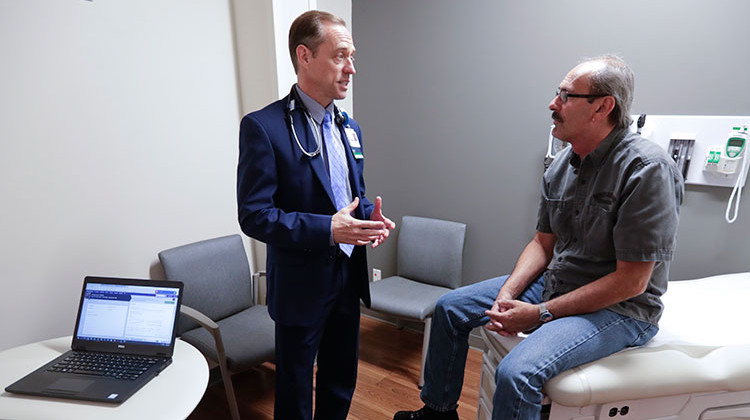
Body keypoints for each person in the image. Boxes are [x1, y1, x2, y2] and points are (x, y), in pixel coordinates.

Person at [393, 55, 684, 420]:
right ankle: (437, 412)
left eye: (566, 95)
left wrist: (540, 314)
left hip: (622, 308)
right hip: (560, 283)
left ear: (603, 107)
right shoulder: (562, 165)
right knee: (450, 308)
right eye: (557, 93)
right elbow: (542, 243)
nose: (553, 104)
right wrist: (508, 293)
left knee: (518, 373)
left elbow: (632, 280)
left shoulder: (647, 170)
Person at [236, 10, 395, 420]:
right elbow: (255, 216)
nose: (351, 68)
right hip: (301, 285)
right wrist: (329, 229)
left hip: (347, 277)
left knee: (341, 378)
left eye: (352, 56)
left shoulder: (350, 128)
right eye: (341, 56)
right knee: (295, 387)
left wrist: (368, 222)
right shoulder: (264, 127)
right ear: (304, 56)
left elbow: (349, 195)